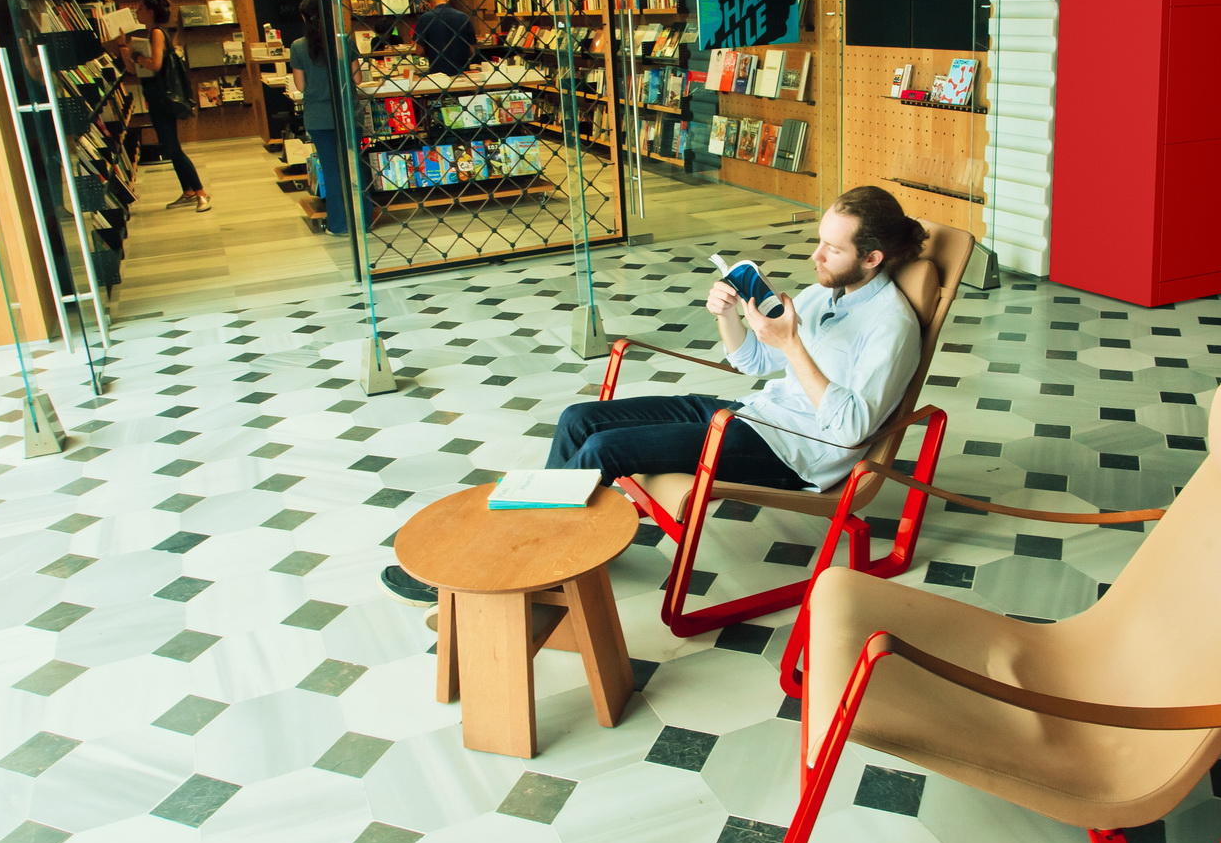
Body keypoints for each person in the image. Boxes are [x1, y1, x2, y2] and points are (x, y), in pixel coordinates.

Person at [378, 186, 927, 606]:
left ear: (873, 257)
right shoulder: (824, 292)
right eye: (820, 241)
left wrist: (794, 347)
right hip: (754, 415)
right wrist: (729, 317)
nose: (815, 256)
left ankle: (513, 565)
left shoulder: (891, 326)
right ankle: (547, 545)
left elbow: (853, 427)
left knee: (605, 450)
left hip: (794, 450)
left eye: (832, 249)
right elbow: (753, 363)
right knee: (578, 419)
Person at [114, 0, 208, 212]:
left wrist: (136, 56)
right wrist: (124, 50)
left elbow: (155, 65)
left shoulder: (156, 33)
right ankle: (188, 191)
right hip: (156, 97)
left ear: (150, 12)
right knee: (169, 146)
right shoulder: (149, 34)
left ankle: (201, 192)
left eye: (140, 9)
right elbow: (133, 70)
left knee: (173, 148)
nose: (136, 12)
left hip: (163, 98)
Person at [287, 0, 347, 235]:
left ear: (303, 17)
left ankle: (339, 224)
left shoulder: (298, 46)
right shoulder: (343, 41)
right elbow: (356, 78)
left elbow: (300, 86)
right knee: (353, 166)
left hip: (319, 115)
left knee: (331, 171)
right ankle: (362, 220)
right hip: (346, 113)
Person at [412, 0, 476, 76]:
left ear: (427, 3)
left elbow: (420, 51)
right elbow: (472, 50)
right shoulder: (463, 16)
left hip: (437, 73)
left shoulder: (425, 18)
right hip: (462, 72)